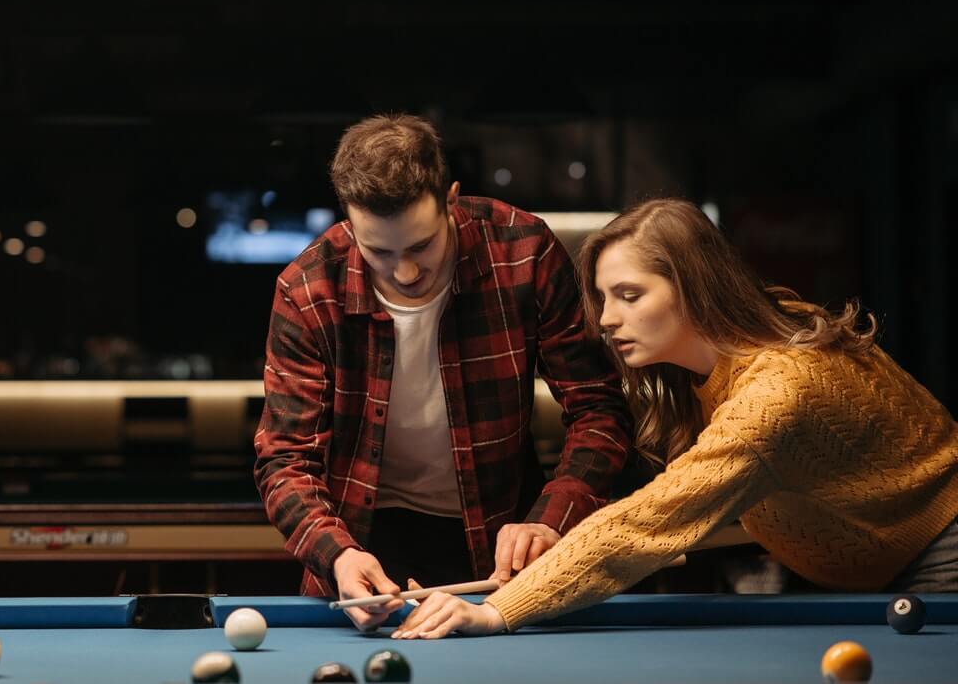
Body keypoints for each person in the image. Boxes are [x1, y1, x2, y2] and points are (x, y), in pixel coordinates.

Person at [391, 198, 958, 640]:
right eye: (603, 298)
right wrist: (565, 552)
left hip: (942, 552)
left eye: (629, 295)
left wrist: (495, 613)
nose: (607, 319)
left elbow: (646, 525)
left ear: (693, 287)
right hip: (884, 559)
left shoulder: (779, 392)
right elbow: (706, 507)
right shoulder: (740, 358)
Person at [255, 114, 634, 631]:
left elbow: (599, 409)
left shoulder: (524, 252)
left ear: (451, 200)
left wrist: (550, 520)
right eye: (379, 252)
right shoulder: (306, 290)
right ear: (347, 219)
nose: (405, 272)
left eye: (420, 246)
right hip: (362, 543)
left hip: (507, 541)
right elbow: (284, 459)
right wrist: (338, 555)